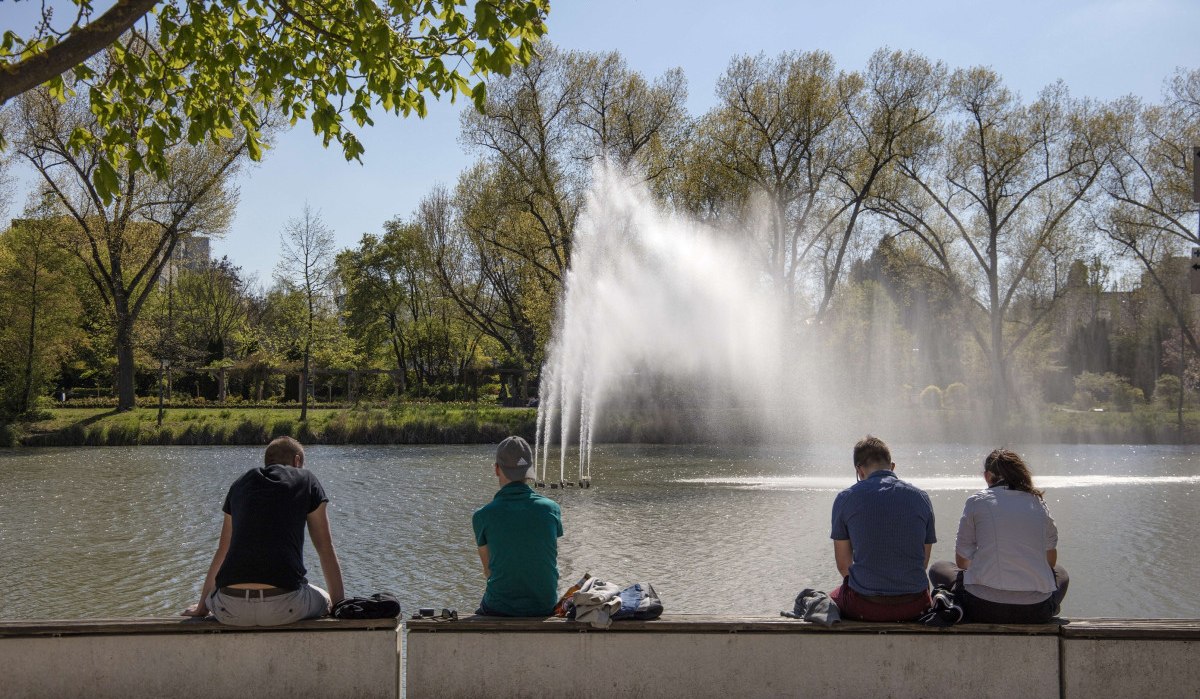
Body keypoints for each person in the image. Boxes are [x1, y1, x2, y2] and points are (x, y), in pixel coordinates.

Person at [182, 436, 344, 626]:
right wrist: (340, 606)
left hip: (229, 607)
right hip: (285, 606)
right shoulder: (307, 480)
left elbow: (222, 550)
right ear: (297, 460)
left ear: (268, 461)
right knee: (326, 598)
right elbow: (325, 547)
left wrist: (202, 607)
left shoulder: (240, 484)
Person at [929, 448, 1068, 624]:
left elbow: (962, 561)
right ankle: (1052, 607)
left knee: (939, 568)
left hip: (983, 608)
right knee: (1061, 573)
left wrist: (987, 565)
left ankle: (954, 603)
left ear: (988, 476)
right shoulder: (1038, 503)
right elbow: (1050, 562)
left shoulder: (977, 501)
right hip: (1035, 611)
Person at [830, 436, 936, 622]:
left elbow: (843, 565)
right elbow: (923, 561)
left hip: (864, 606)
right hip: (915, 605)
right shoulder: (921, 498)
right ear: (892, 466)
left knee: (830, 598)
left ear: (859, 470)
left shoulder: (845, 499)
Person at [473, 435, 562, 617]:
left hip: (500, 608)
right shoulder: (551, 510)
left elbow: (488, 571)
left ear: (497, 469)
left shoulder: (482, 516)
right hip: (544, 606)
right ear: (529, 470)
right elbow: (547, 557)